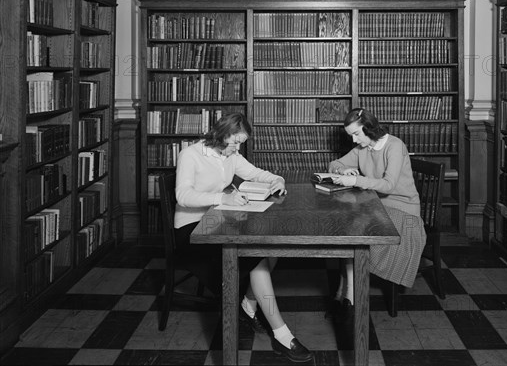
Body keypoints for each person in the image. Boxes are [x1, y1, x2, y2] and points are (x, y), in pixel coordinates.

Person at [175, 112, 313, 362]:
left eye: (241, 142)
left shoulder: (231, 155)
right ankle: (282, 334)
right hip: (192, 231)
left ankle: (248, 306)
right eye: (235, 141)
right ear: (221, 133)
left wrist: (277, 180)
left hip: (217, 221)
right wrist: (222, 198)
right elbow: (183, 196)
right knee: (258, 259)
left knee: (266, 249)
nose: (238, 147)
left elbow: (256, 173)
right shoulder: (191, 155)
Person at [327, 108, 427, 320]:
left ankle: (350, 298)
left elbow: (389, 185)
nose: (354, 140)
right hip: (375, 206)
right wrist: (342, 170)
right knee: (348, 232)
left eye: (356, 134)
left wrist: (355, 180)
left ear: (369, 128)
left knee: (355, 238)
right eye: (351, 136)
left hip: (403, 209)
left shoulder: (395, 146)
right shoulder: (364, 147)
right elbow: (335, 164)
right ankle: (348, 296)